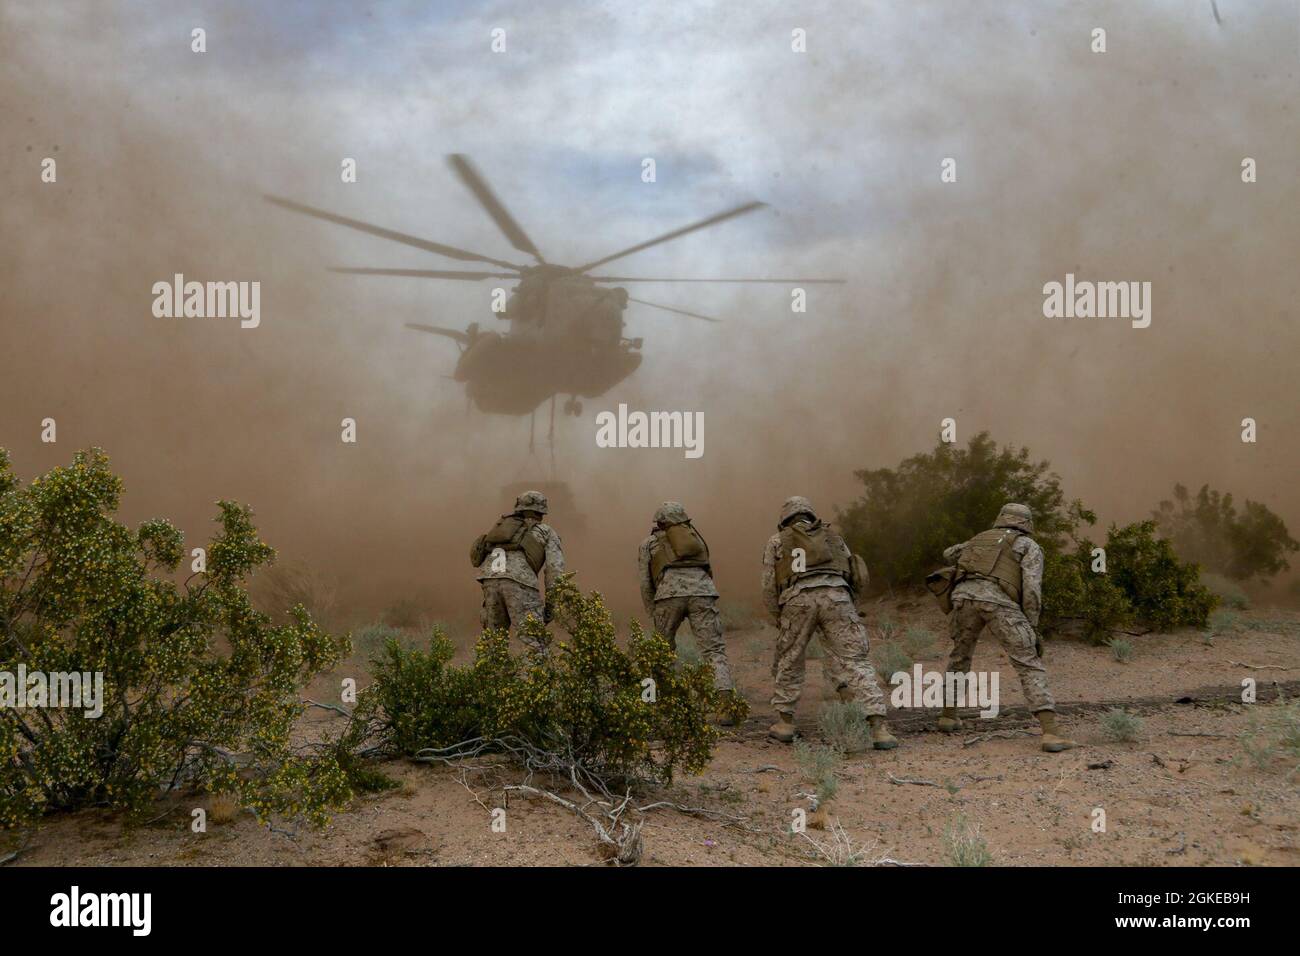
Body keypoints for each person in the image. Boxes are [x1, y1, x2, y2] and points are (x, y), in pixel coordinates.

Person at [761, 496, 897, 749]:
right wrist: (849, 605)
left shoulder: (777, 540)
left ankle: (785, 725)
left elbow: (768, 585)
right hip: (838, 597)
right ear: (811, 515)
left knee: (790, 659)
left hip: (797, 600)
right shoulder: (833, 537)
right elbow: (856, 573)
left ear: (785, 519)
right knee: (855, 660)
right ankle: (879, 728)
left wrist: (779, 617)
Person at [939, 503, 1077, 752]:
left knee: (960, 656)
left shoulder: (979, 539)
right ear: (1027, 523)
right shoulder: (1028, 546)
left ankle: (948, 716)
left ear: (1000, 518)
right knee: (1028, 662)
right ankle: (1050, 732)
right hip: (998, 602)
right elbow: (1032, 589)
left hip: (962, 598)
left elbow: (949, 553)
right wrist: (1031, 627)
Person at [637, 501, 737, 721]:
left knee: (659, 652)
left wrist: (652, 610)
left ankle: (652, 704)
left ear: (659, 522)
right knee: (714, 651)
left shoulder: (649, 543)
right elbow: (709, 569)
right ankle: (725, 708)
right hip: (703, 592)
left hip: (668, 596)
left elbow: (645, 583)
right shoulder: (696, 540)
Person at [470, 490, 564, 652]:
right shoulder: (545, 531)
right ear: (541, 511)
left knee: (494, 643)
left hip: (489, 582)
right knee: (534, 643)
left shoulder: (500, 528)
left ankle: (494, 676)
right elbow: (554, 570)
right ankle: (536, 678)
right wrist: (551, 605)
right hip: (521, 584)